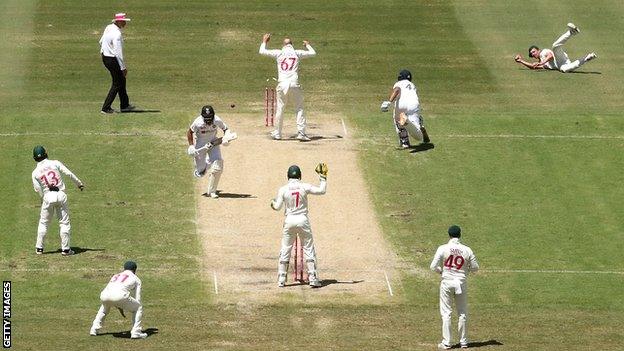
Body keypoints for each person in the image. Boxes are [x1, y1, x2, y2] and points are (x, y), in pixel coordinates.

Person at [270, 163, 328, 287]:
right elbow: (321, 190)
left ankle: (281, 280)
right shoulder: (304, 186)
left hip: (289, 221)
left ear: (288, 176)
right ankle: (313, 279)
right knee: (308, 248)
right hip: (303, 220)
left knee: (285, 248)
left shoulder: (283, 189)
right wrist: (323, 177)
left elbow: (277, 207)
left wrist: (272, 203)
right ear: (300, 176)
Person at [259, 33, 316, 141]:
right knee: (299, 108)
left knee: (280, 109)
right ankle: (301, 133)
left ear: (283, 45)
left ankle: (277, 133)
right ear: (292, 45)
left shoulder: (279, 53)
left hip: (282, 84)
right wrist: (308, 45)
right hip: (294, 84)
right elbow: (313, 53)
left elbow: (262, 51)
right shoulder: (296, 53)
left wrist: (264, 41)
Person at [430, 225, 479, 349]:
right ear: (460, 235)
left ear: (449, 235)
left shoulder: (443, 248)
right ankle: (464, 342)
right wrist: (465, 271)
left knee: (446, 312)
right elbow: (475, 268)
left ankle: (446, 342)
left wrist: (441, 271)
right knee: (462, 312)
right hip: (461, 282)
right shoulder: (467, 250)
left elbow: (433, 266)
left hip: (447, 282)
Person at [31, 145, 84, 256]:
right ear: (46, 153)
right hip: (60, 194)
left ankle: (39, 248)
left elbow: (38, 189)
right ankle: (65, 249)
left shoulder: (35, 172)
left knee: (44, 223)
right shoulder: (55, 163)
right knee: (64, 223)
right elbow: (68, 173)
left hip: (47, 197)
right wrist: (79, 184)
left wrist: (43, 199)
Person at [90, 261, 147, 339]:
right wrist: (123, 304)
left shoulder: (115, 275)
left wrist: (119, 304)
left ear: (124, 268)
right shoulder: (136, 279)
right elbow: (138, 298)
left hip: (104, 295)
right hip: (119, 297)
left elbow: (113, 291)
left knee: (104, 308)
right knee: (138, 307)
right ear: (135, 270)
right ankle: (136, 332)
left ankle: (94, 329)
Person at [187, 105, 233, 198]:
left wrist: (226, 138)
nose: (208, 121)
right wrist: (191, 146)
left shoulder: (217, 120)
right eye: (206, 118)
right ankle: (206, 164)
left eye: (210, 118)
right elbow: (190, 132)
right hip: (200, 144)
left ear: (213, 116)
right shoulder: (198, 122)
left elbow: (226, 129)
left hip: (213, 143)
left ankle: (212, 191)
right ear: (202, 116)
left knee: (218, 165)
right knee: (200, 173)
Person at [514, 23, 597, 73]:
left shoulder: (543, 52)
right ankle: (587, 58)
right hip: (561, 65)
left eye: (534, 51)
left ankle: (571, 32)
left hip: (559, 57)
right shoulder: (543, 64)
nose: (533, 54)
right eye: (531, 54)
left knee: (555, 46)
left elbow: (550, 56)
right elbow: (532, 66)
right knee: (565, 70)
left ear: (538, 50)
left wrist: (542, 62)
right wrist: (521, 61)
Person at [380, 69, 431, 148]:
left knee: (397, 119)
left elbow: (397, 90)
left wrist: (389, 102)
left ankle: (405, 142)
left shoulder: (398, 83)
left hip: (401, 106)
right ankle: (409, 122)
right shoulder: (412, 85)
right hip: (413, 106)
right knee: (418, 137)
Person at [100, 13, 135, 114]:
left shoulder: (108, 27)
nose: (125, 23)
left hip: (105, 57)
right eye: (124, 21)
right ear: (118, 21)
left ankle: (124, 105)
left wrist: (104, 50)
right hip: (112, 59)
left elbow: (101, 41)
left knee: (121, 80)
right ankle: (106, 108)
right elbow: (118, 52)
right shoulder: (117, 34)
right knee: (117, 83)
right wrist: (123, 68)